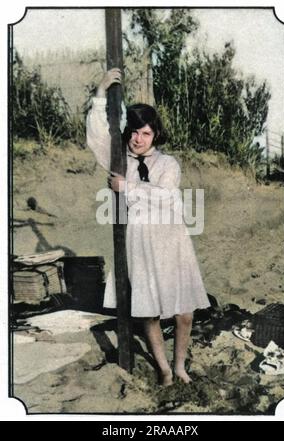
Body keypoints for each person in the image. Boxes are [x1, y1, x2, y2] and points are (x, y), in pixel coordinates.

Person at [86, 68, 210, 386]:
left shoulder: (169, 164)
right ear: (128, 133)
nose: (139, 140)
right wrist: (101, 93)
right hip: (139, 238)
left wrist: (126, 187)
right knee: (149, 311)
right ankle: (164, 370)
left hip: (171, 239)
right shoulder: (119, 160)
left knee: (184, 312)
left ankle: (180, 365)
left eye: (146, 134)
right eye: (135, 133)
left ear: (156, 135)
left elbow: (166, 197)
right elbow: (97, 135)